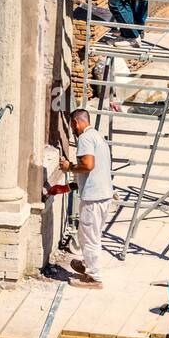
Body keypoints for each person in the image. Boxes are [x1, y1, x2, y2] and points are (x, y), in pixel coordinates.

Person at [60, 108, 112, 289]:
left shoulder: (85, 138)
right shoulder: (97, 136)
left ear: (75, 122)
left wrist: (69, 167)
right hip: (103, 195)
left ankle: (94, 278)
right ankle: (89, 265)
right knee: (89, 234)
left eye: (72, 127)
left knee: (89, 237)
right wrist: (73, 185)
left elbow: (88, 165)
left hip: (94, 198)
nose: (73, 131)